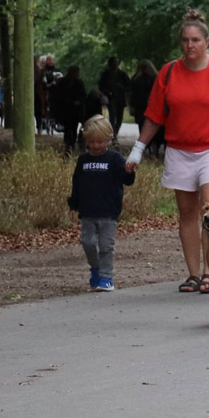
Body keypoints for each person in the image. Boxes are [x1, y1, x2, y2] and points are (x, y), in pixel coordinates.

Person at [128, 12, 209, 294]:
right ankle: (193, 274)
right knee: (187, 213)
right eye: (185, 40)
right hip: (179, 149)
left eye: (195, 40)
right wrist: (137, 150)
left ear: (206, 42)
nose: (190, 45)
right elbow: (154, 115)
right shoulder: (169, 73)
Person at [67, 118, 134, 292]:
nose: (96, 146)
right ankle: (95, 268)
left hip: (109, 211)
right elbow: (77, 183)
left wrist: (129, 171)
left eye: (100, 142)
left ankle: (106, 277)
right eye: (92, 142)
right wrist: (73, 205)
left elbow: (127, 181)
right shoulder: (83, 160)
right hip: (88, 211)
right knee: (87, 242)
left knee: (106, 246)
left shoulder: (115, 159)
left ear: (109, 139)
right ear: (86, 140)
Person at [98, 56, 130, 134]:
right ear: (110, 63)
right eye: (114, 62)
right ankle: (113, 133)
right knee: (112, 116)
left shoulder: (122, 74)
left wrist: (122, 87)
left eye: (117, 62)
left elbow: (129, 85)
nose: (115, 64)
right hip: (110, 98)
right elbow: (101, 85)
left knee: (119, 118)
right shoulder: (105, 74)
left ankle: (116, 131)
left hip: (120, 98)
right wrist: (106, 92)